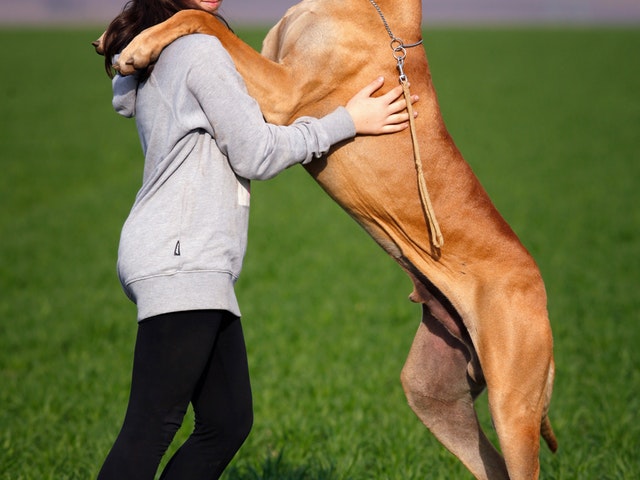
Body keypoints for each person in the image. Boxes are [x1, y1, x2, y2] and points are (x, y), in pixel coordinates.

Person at [96, 0, 417, 478]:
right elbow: (256, 153)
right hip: (183, 256)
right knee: (150, 428)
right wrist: (347, 121)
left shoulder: (163, 54)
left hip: (183, 255)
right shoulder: (199, 50)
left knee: (227, 422)